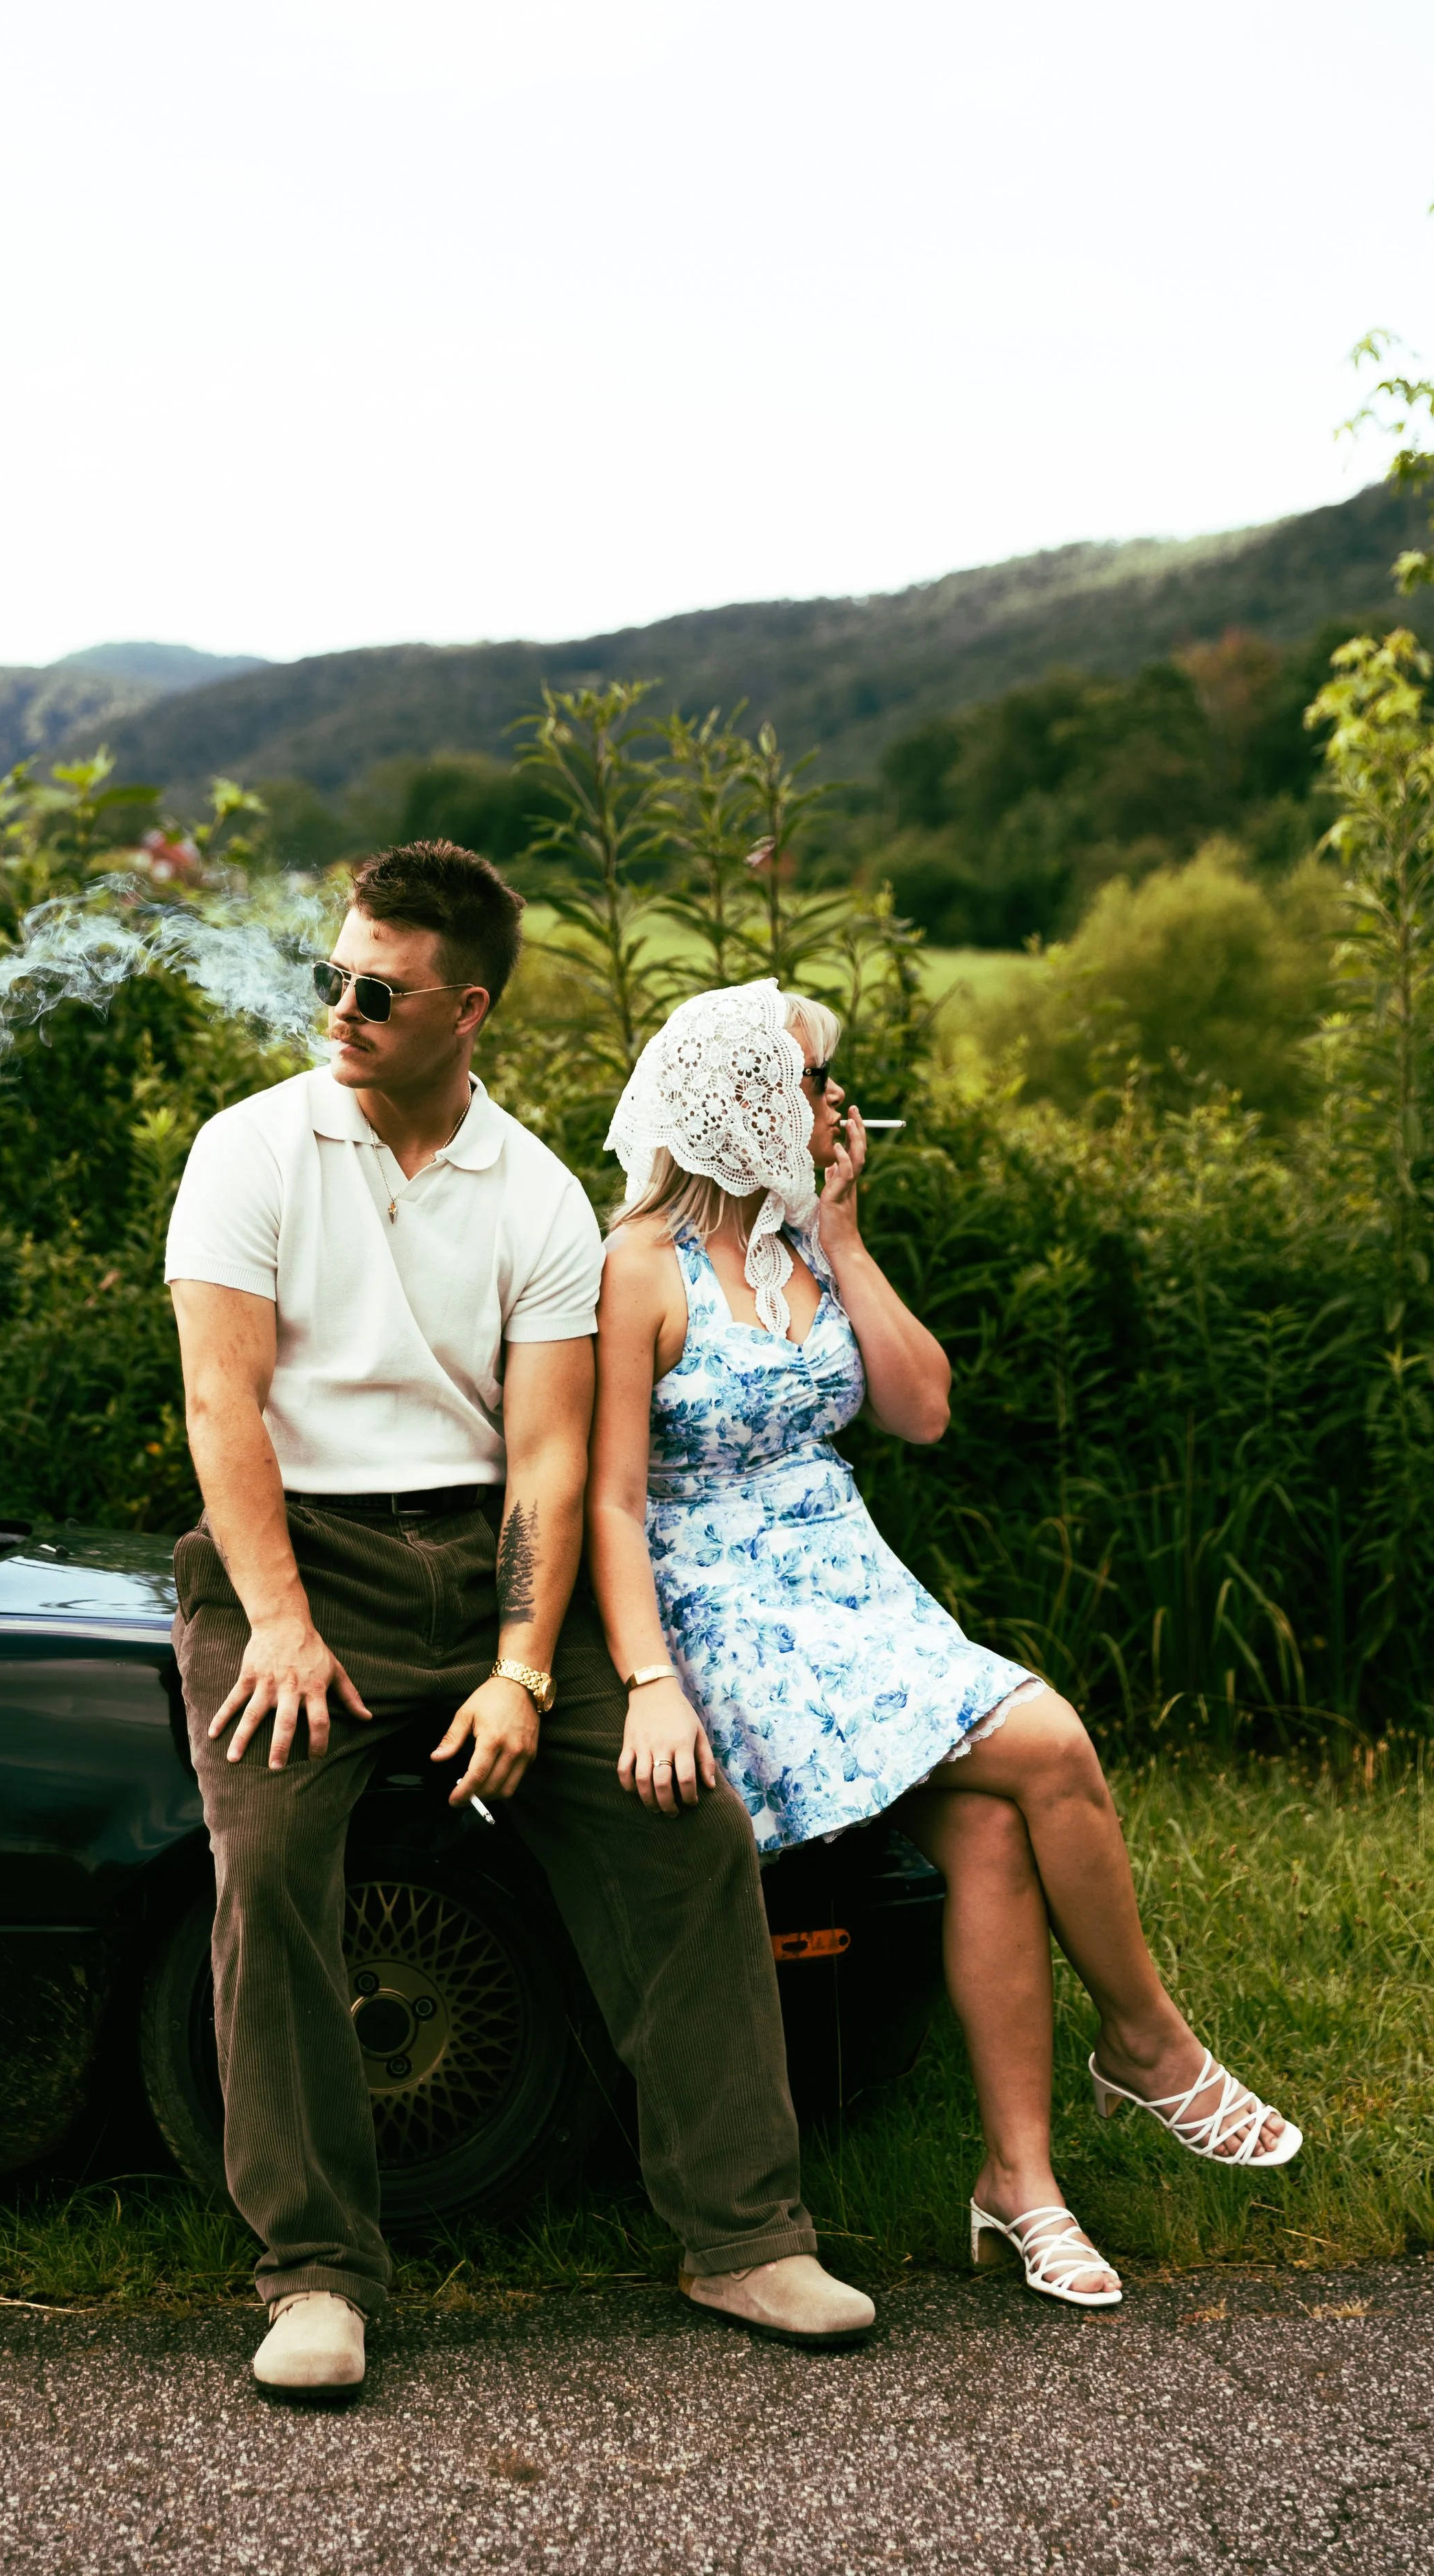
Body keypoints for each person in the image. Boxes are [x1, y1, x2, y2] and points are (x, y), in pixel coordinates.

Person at [163, 847, 876, 2401]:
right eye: (331, 978)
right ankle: (315, 2275)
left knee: (682, 1817)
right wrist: (277, 1625)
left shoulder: (540, 1191)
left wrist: (520, 1671)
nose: (341, 1008)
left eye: (380, 990)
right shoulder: (248, 1152)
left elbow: (549, 1458)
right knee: (271, 1855)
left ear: (465, 1008)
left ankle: (741, 2234)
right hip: (296, 1560)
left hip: (486, 1556)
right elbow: (222, 1410)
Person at [587, 979, 1301, 2311]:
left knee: (985, 1834)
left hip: (847, 1583)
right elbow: (609, 1500)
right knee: (1050, 1744)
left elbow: (919, 1412)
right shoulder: (634, 1268)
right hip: (724, 1606)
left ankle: (1017, 2187)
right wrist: (643, 1680)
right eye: (809, 1084)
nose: (835, 1107)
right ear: (739, 1100)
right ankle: (1146, 2046)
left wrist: (845, 1237)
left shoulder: (804, 1253)